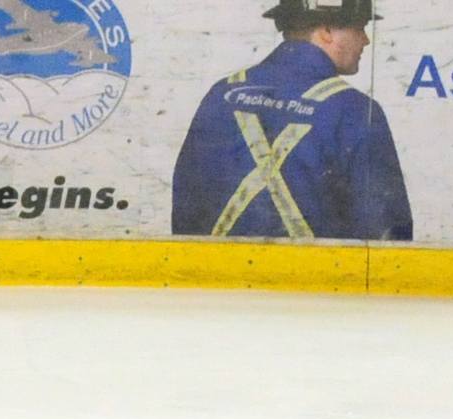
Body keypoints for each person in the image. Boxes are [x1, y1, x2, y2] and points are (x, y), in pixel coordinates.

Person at [170, 0, 411, 243]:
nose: (365, 40)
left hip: (215, 275)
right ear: (326, 30)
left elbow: (186, 206)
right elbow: (387, 234)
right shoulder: (354, 110)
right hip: (313, 278)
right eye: (359, 27)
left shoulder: (221, 94)